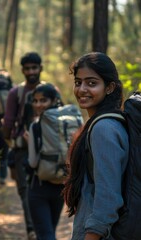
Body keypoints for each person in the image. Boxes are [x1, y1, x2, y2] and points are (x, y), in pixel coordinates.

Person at [63, 52, 129, 240]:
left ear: (109, 88)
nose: (82, 89)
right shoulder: (107, 122)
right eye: (78, 82)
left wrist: (91, 236)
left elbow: (108, 195)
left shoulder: (104, 129)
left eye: (92, 83)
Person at [3, 52, 45, 240]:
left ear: (40, 68)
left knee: (42, 189)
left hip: (46, 150)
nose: (31, 72)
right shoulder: (15, 93)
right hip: (21, 149)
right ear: (22, 70)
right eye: (27, 68)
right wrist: (10, 142)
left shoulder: (51, 90)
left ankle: (42, 228)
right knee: (25, 190)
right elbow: (9, 120)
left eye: (34, 68)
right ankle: (32, 230)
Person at [28, 83, 64, 240]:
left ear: (53, 100)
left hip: (39, 188)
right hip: (61, 187)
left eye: (43, 100)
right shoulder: (67, 122)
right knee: (50, 233)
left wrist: (30, 141)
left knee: (45, 235)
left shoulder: (35, 126)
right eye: (35, 101)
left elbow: (33, 163)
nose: (38, 105)